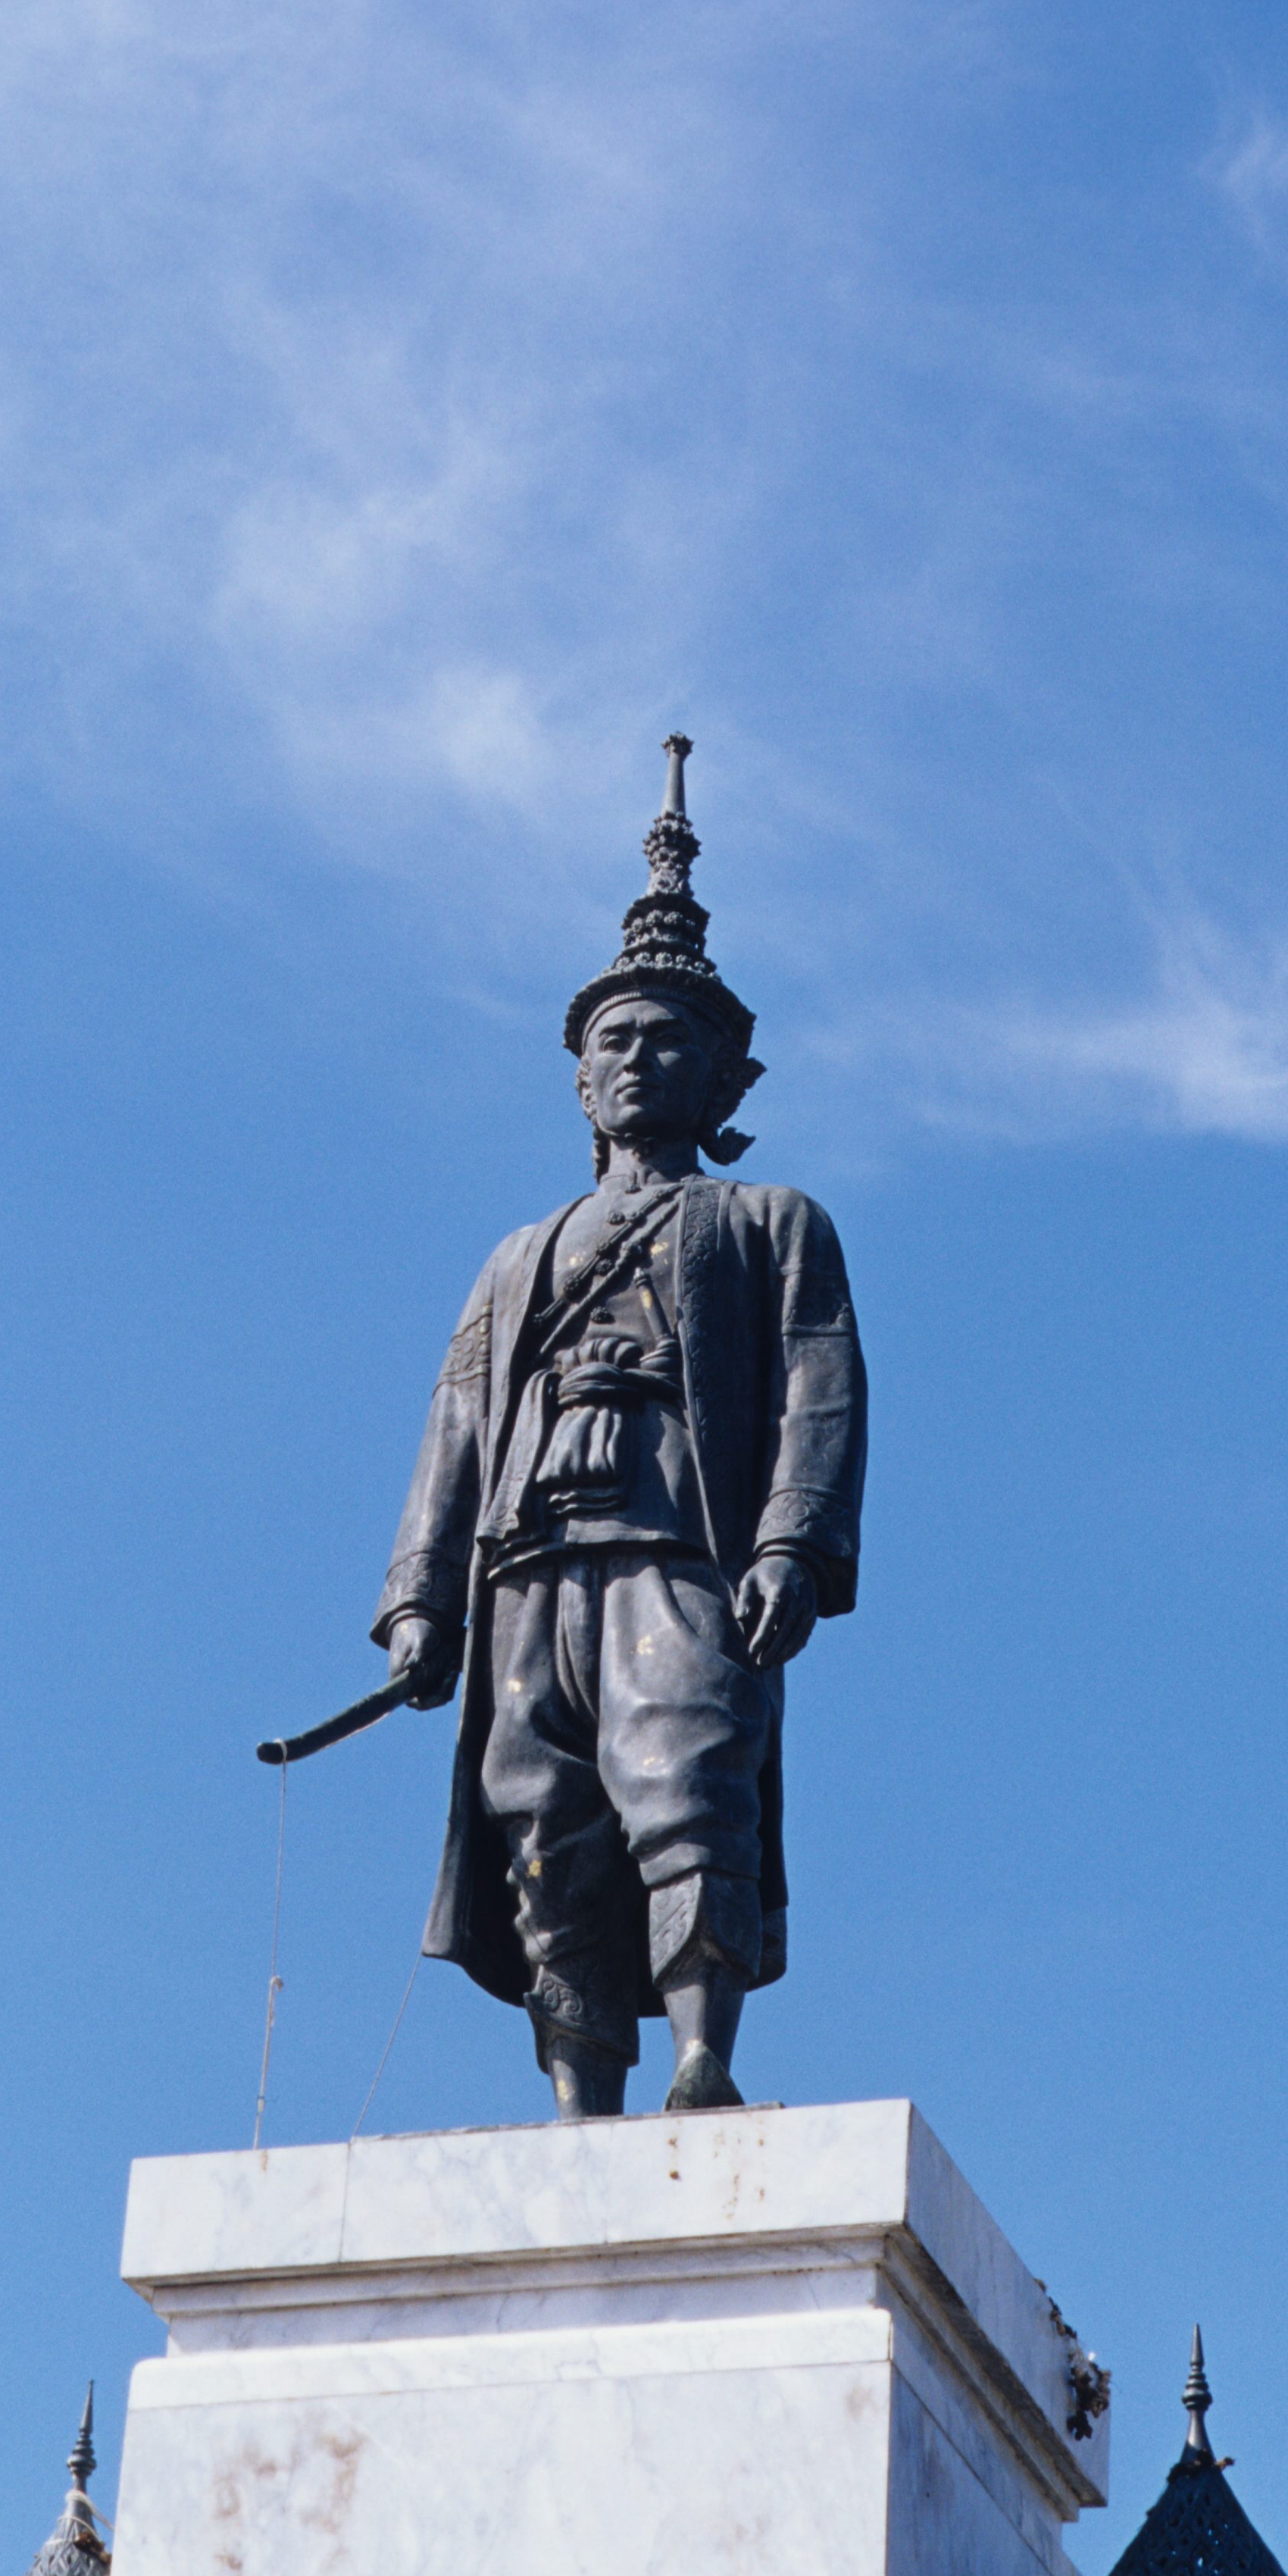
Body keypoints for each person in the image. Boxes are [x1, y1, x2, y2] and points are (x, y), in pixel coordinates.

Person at [374, 738, 868, 2116]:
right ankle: (578, 2096)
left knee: (690, 1771)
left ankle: (703, 2057)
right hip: (532, 1553)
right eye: (615, 1040)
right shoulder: (516, 1256)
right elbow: (457, 1422)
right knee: (542, 1816)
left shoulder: (769, 1223)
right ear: (580, 1080)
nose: (639, 1057)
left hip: (677, 1535)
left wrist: (790, 1543)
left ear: (723, 1082)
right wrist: (421, 1599)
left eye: (669, 1039)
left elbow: (820, 1380)